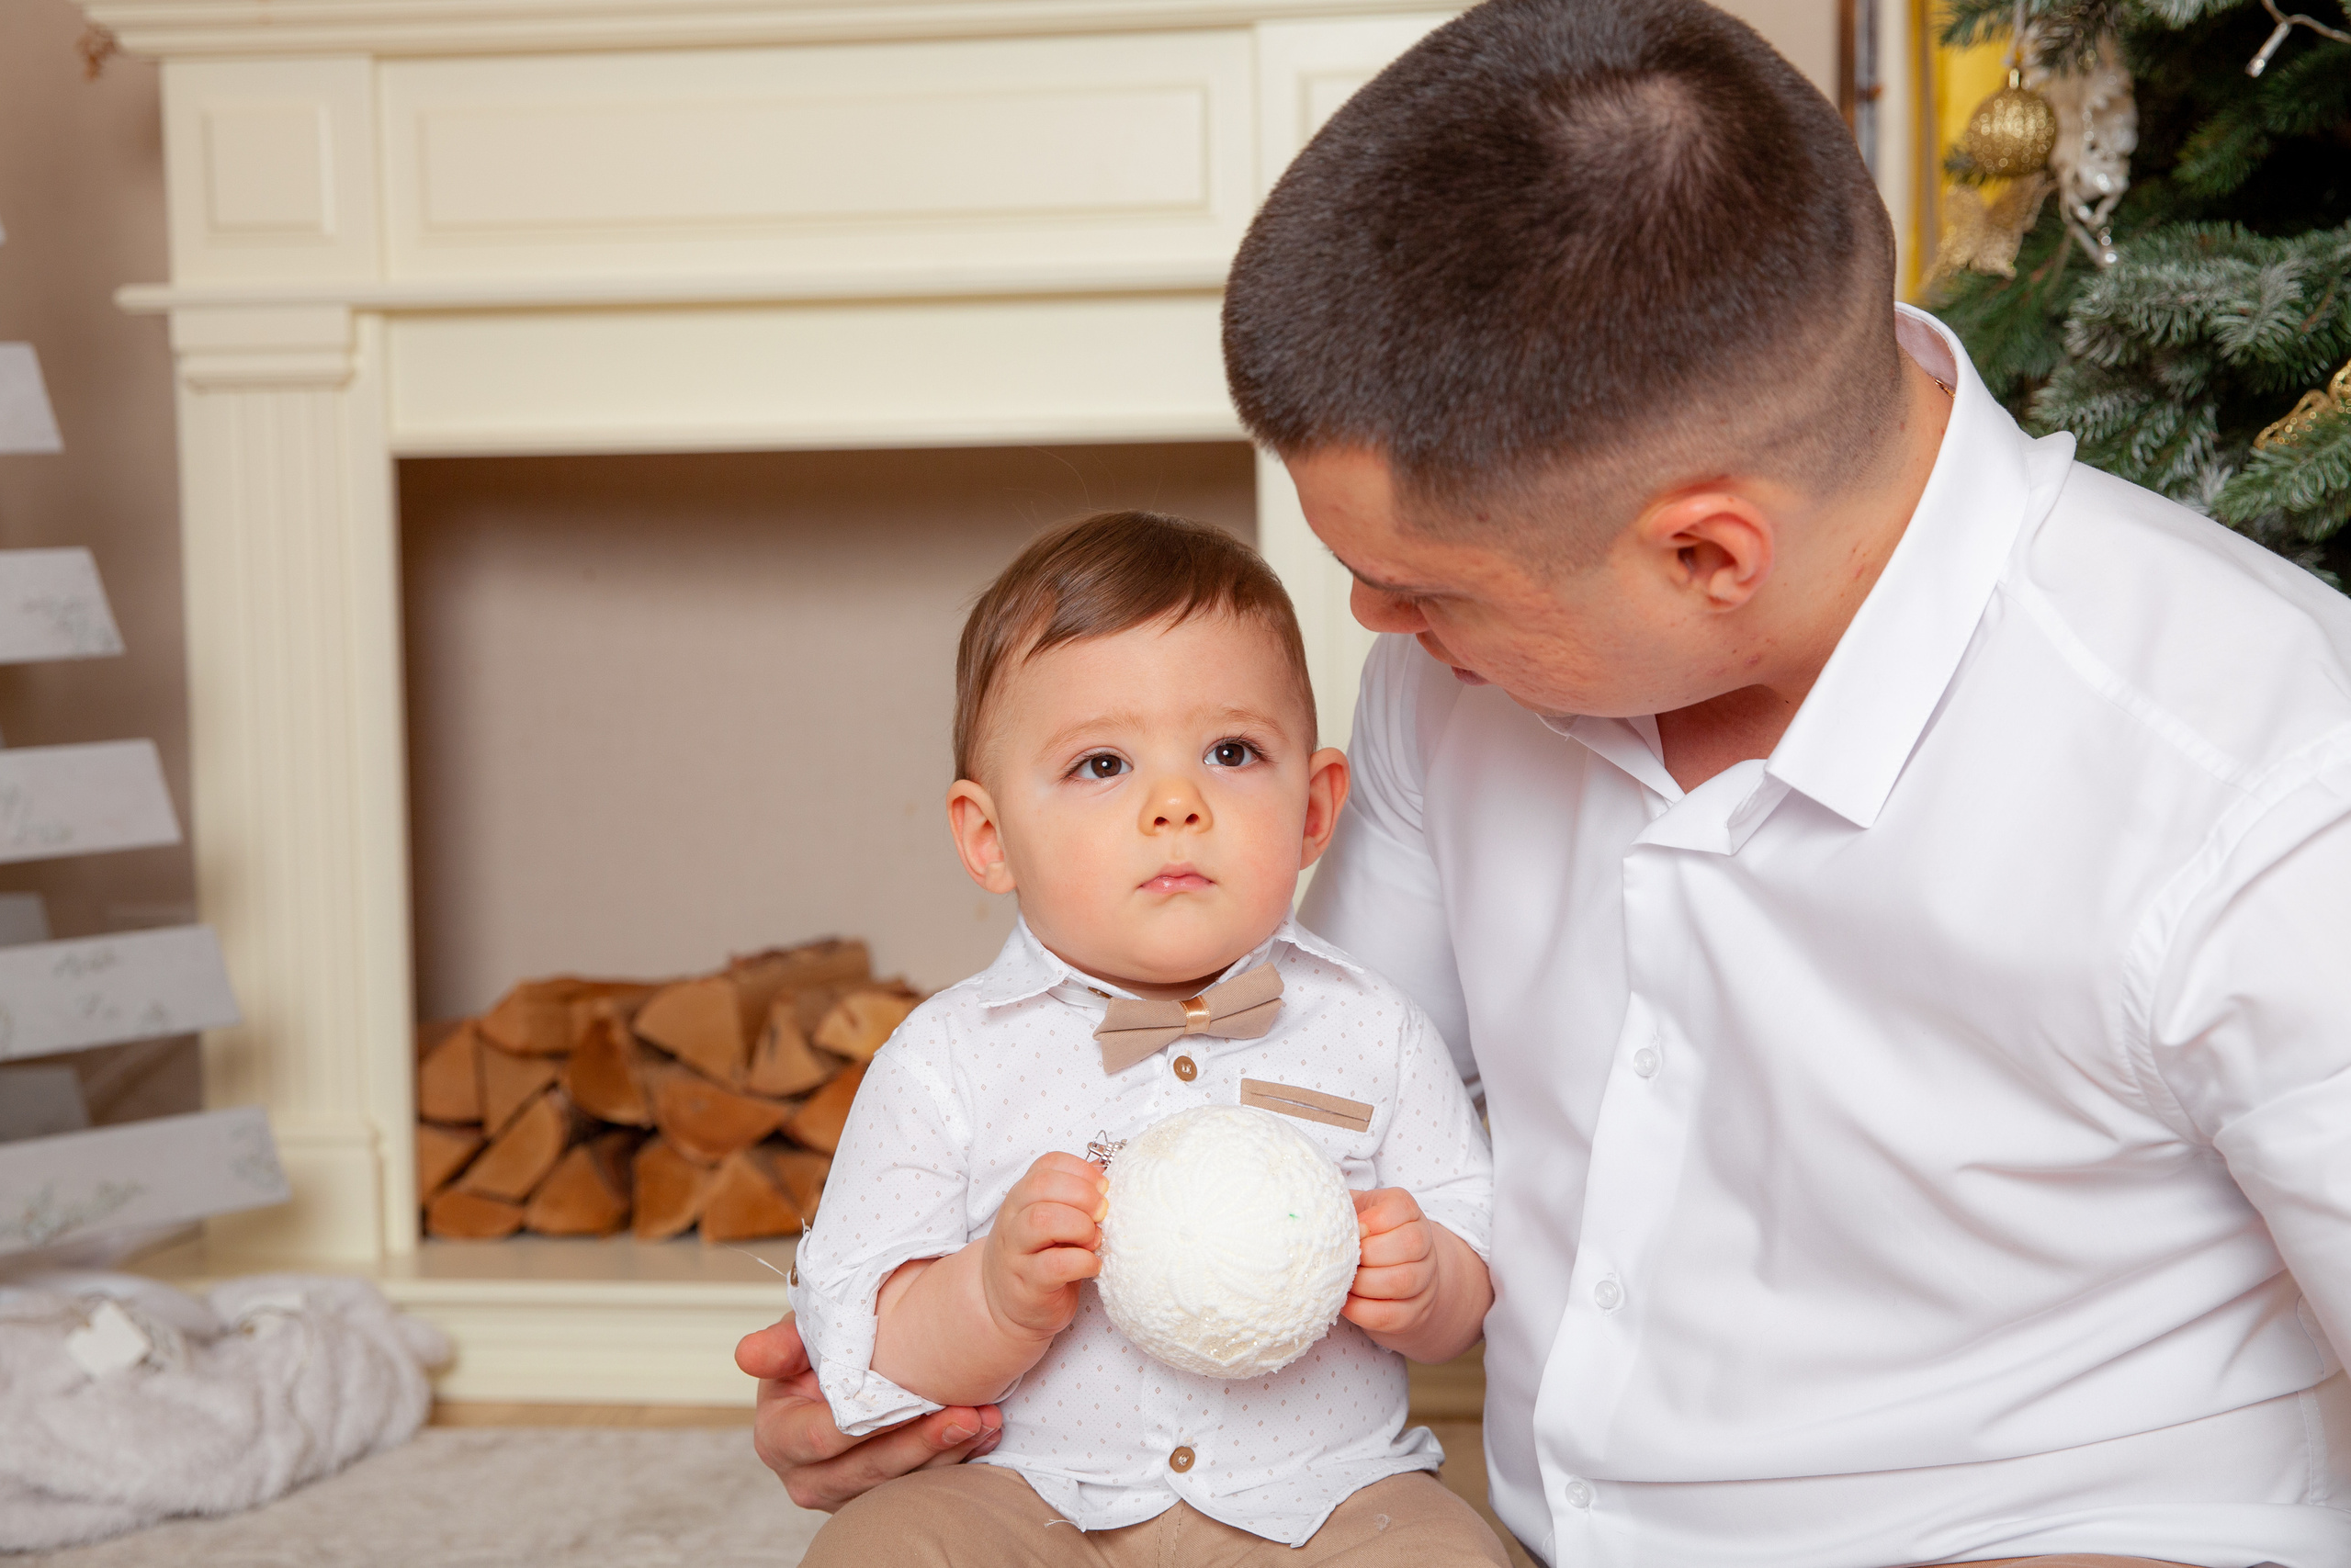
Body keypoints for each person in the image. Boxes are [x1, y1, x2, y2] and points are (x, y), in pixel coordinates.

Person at [741, 0, 2351, 1562]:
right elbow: (1302, 1080)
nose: (1375, 623)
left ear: (1708, 550)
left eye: (1426, 588)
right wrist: (905, 1350)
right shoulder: (1455, 687)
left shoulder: (2266, 778)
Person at [783, 512, 1511, 1566]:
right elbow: (866, 1334)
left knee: (1447, 1556)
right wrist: (988, 1295)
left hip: (1325, 1504)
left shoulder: (1375, 1030)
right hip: (1028, 1502)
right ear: (990, 839)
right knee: (881, 1549)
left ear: (1313, 811)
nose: (1176, 803)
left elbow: (1472, 1250)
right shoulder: (946, 1060)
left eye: (1230, 752)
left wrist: (1429, 1280)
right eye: (1101, 765)